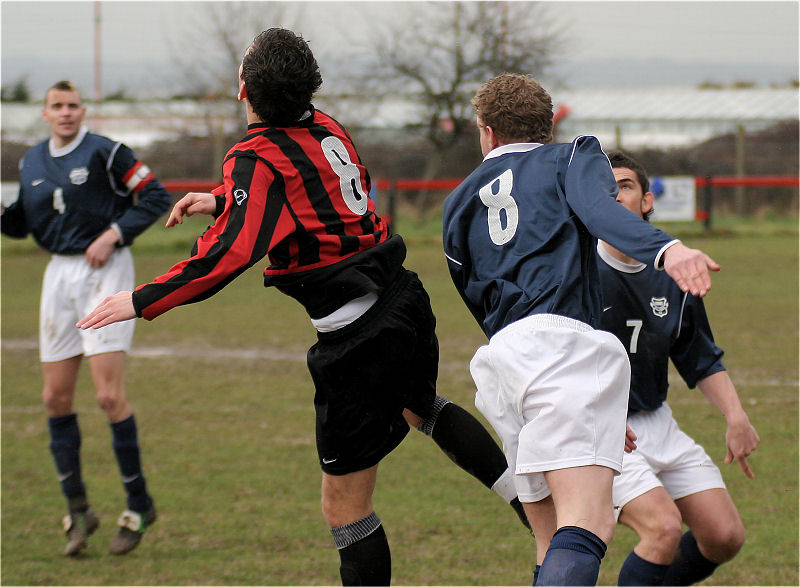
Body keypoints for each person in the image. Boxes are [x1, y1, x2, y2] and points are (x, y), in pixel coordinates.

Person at [78, 28, 529, 584]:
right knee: (423, 407)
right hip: (403, 297)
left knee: (345, 508)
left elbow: (227, 255)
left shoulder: (254, 158)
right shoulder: (325, 125)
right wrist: (223, 199)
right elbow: (322, 195)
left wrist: (140, 298)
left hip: (358, 336)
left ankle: (539, 515)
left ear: (243, 89)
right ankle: (534, 509)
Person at [442, 73, 720, 586]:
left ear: (487, 132)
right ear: (548, 127)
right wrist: (668, 248)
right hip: (563, 350)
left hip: (503, 361)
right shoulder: (571, 155)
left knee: (550, 542)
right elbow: (600, 212)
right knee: (588, 524)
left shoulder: (459, 200)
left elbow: (471, 290)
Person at [1, 80, 171, 556]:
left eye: (73, 105)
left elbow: (155, 197)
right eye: (57, 106)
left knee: (107, 396)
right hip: (58, 275)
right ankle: (78, 509)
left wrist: (114, 233)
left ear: (83, 110)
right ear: (44, 113)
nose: (66, 112)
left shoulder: (108, 152)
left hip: (105, 271)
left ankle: (139, 504)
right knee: (54, 397)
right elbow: (22, 222)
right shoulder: (31, 159)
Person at [599, 151, 759, 585]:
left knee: (724, 535)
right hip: (600, 428)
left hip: (656, 420)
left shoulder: (676, 270)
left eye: (626, 185)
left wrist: (735, 415)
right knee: (663, 528)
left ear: (647, 200)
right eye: (604, 186)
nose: (614, 193)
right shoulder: (576, 268)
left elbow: (698, 353)